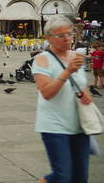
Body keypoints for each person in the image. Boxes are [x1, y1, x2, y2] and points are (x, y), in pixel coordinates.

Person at [32, 14, 92, 183]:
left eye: (70, 34)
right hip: (54, 126)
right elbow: (47, 93)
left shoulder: (75, 57)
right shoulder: (42, 59)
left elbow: (82, 85)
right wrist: (67, 72)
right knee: (62, 176)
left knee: (81, 177)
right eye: (61, 35)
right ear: (48, 38)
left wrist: (85, 95)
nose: (68, 39)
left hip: (79, 125)